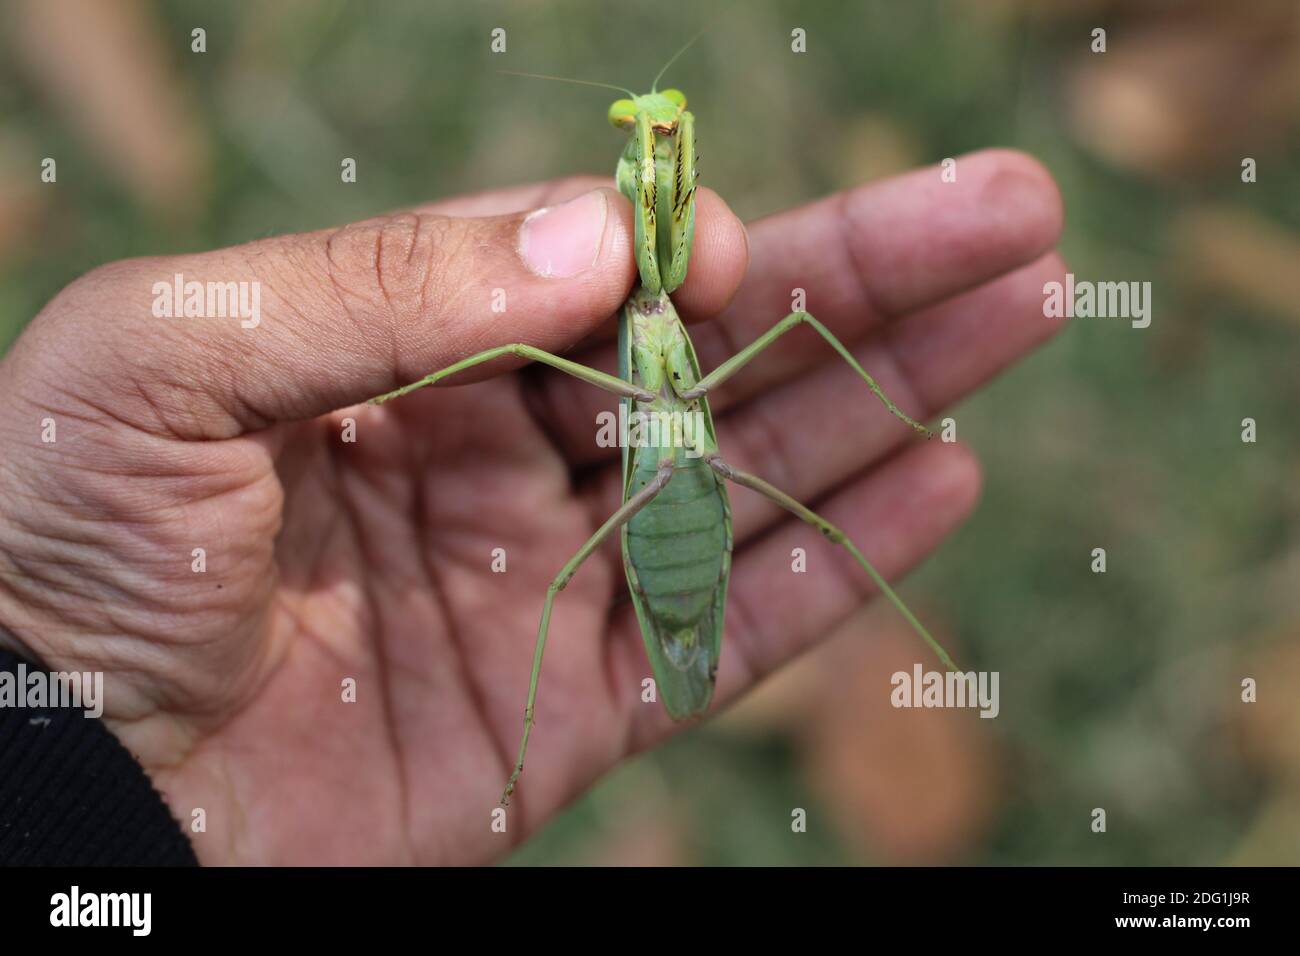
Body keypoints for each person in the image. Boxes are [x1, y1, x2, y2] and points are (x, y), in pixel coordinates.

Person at [0, 150, 1065, 864]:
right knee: (577, 557)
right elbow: (521, 337)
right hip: (660, 489)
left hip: (681, 471)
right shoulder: (635, 295)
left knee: (817, 503)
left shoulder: (671, 289)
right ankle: (523, 743)